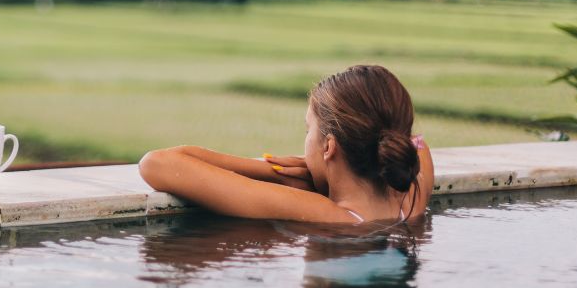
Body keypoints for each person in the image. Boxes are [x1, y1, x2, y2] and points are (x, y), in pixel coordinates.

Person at [138, 65, 433, 224]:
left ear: (329, 147)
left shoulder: (328, 213)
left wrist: (271, 171)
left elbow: (157, 164)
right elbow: (417, 142)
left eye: (308, 130)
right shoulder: (410, 202)